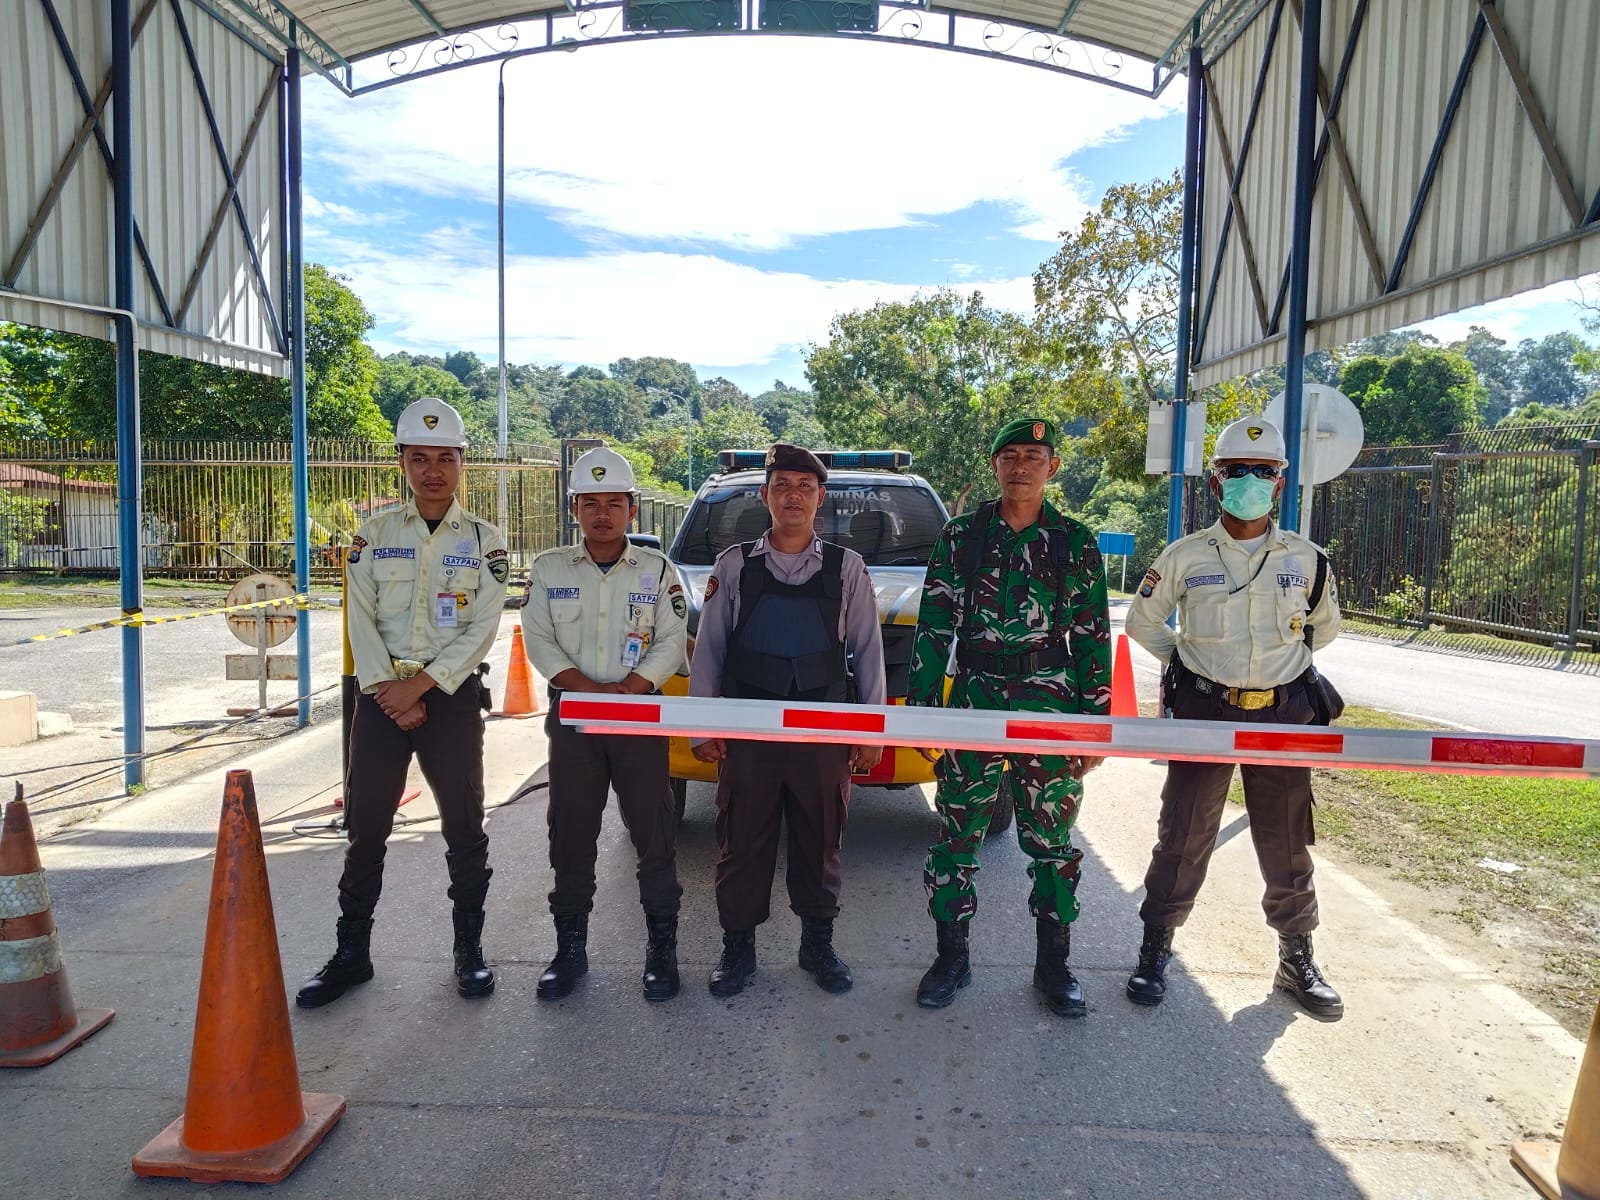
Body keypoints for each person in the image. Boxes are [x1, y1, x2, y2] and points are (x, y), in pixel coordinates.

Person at [1124, 415, 1344, 1018]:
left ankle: (1296, 954)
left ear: (1280, 483)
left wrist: (1269, 671)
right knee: (1184, 833)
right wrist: (1191, 664)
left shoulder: (1307, 559)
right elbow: (1144, 623)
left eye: (1263, 471)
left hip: (1283, 712)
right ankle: (1156, 946)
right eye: (1237, 471)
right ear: (1216, 482)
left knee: (1287, 838)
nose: (1250, 480)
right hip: (1205, 709)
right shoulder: (1184, 556)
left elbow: (1323, 632)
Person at [297, 396, 507, 1008]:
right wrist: (391, 692)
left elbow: (484, 627)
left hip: (450, 700)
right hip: (382, 700)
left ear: (461, 463)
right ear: (402, 463)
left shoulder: (485, 543)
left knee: (465, 827)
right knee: (365, 829)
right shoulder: (374, 535)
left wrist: (423, 686)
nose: (433, 471)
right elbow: (358, 618)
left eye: (445, 458)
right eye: (420, 458)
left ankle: (469, 951)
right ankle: (351, 954)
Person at [907, 417, 1111, 1018]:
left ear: (1052, 467)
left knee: (1050, 840)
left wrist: (1094, 723)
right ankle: (951, 958)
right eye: (1010, 455)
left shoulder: (1076, 541)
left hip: (1051, 704)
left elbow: (1094, 636)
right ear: (995, 465)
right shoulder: (962, 536)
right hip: (975, 697)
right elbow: (934, 626)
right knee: (957, 835)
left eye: (1034, 455)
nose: (1021, 465)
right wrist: (923, 712)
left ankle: (1054, 967)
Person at [689, 443, 886, 998]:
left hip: (822, 731)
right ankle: (738, 949)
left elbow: (867, 652)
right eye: (782, 486)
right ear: (764, 495)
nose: (793, 496)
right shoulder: (734, 566)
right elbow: (710, 652)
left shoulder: (847, 568)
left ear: (820, 498)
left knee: (820, 836)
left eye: (804, 487)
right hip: (749, 731)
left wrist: (869, 729)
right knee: (741, 840)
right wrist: (705, 727)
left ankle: (817, 943)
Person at [520, 446, 689, 1002]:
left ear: (632, 511)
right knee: (570, 836)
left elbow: (670, 641)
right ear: (574, 508)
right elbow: (539, 638)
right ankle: (569, 952)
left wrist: (631, 690)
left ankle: (661, 952)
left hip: (639, 719)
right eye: (589, 503)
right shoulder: (549, 571)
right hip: (574, 722)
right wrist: (588, 692)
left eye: (614, 503)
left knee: (654, 835)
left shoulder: (658, 570)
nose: (602, 514)